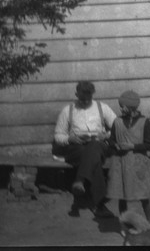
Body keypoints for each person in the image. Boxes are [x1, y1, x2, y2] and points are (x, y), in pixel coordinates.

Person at [53, 80, 117, 218]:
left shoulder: (102, 108)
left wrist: (105, 135)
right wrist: (69, 139)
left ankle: (80, 180)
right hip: (77, 148)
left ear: (93, 95)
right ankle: (99, 205)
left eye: (88, 98)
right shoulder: (68, 110)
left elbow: (118, 129)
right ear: (76, 94)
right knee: (93, 160)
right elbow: (58, 135)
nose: (85, 101)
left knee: (93, 148)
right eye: (82, 99)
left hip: (98, 144)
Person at [107, 90, 150, 229]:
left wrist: (132, 146)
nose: (121, 108)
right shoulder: (117, 122)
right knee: (122, 195)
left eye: (123, 106)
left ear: (132, 107)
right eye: (120, 106)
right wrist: (115, 146)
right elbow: (111, 142)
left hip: (138, 164)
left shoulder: (144, 122)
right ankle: (124, 225)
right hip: (121, 162)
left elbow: (148, 145)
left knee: (143, 194)